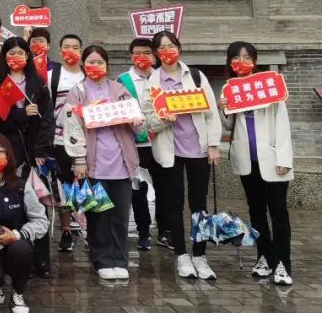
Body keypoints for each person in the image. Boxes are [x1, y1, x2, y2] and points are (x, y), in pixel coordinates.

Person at [142, 31, 222, 281]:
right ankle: (181, 255)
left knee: (199, 203)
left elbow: (211, 113)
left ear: (179, 47)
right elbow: (147, 121)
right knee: (173, 204)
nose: (167, 51)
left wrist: (213, 144)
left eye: (171, 45)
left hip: (198, 149)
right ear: (156, 54)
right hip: (170, 151)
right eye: (161, 48)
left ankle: (200, 255)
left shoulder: (195, 76)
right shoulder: (152, 82)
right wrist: (163, 119)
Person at [62, 45, 141, 281]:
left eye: (100, 62)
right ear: (83, 65)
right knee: (99, 215)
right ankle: (102, 260)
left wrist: (137, 120)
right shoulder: (77, 92)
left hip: (121, 162)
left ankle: (120, 259)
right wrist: (79, 159)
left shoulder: (119, 89)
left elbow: (138, 124)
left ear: (107, 65)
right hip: (94, 163)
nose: (95, 66)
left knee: (120, 215)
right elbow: (73, 127)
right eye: (91, 62)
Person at [220, 41, 294, 286]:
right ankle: (264, 257)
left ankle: (282, 263)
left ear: (255, 61)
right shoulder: (229, 89)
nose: (240, 62)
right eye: (235, 57)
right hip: (247, 161)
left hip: (273, 160)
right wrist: (224, 110)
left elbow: (282, 124)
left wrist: (284, 158)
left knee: (278, 213)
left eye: (246, 57)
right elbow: (228, 127)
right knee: (256, 212)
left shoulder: (269, 85)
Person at [0, 36, 56, 277]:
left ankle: (42, 261)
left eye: (20, 53)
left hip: (34, 155)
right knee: (13, 206)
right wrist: (22, 115)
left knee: (38, 205)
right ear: (4, 57)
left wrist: (41, 151)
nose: (15, 57)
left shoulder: (39, 84)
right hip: (8, 153)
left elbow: (48, 121)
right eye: (11, 53)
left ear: (28, 56)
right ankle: (16, 258)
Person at [0, 133, 48, 313]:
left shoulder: (20, 186)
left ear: (8, 155)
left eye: (0, 151)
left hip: (14, 246)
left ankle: (18, 293)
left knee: (22, 249)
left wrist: (17, 235)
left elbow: (41, 221)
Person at [117, 37, 163, 251]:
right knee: (138, 189)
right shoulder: (122, 79)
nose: (141, 57)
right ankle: (144, 231)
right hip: (135, 144)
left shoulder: (162, 77)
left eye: (146, 52)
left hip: (162, 140)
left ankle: (165, 231)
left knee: (164, 187)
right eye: (137, 53)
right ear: (131, 56)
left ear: (154, 56)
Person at [49, 33, 86, 256]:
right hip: (59, 139)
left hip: (86, 140)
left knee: (84, 184)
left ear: (81, 51)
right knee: (62, 186)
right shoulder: (52, 76)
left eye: (75, 47)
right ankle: (65, 230)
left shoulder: (88, 74)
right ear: (60, 50)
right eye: (66, 47)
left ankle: (86, 225)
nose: (71, 50)